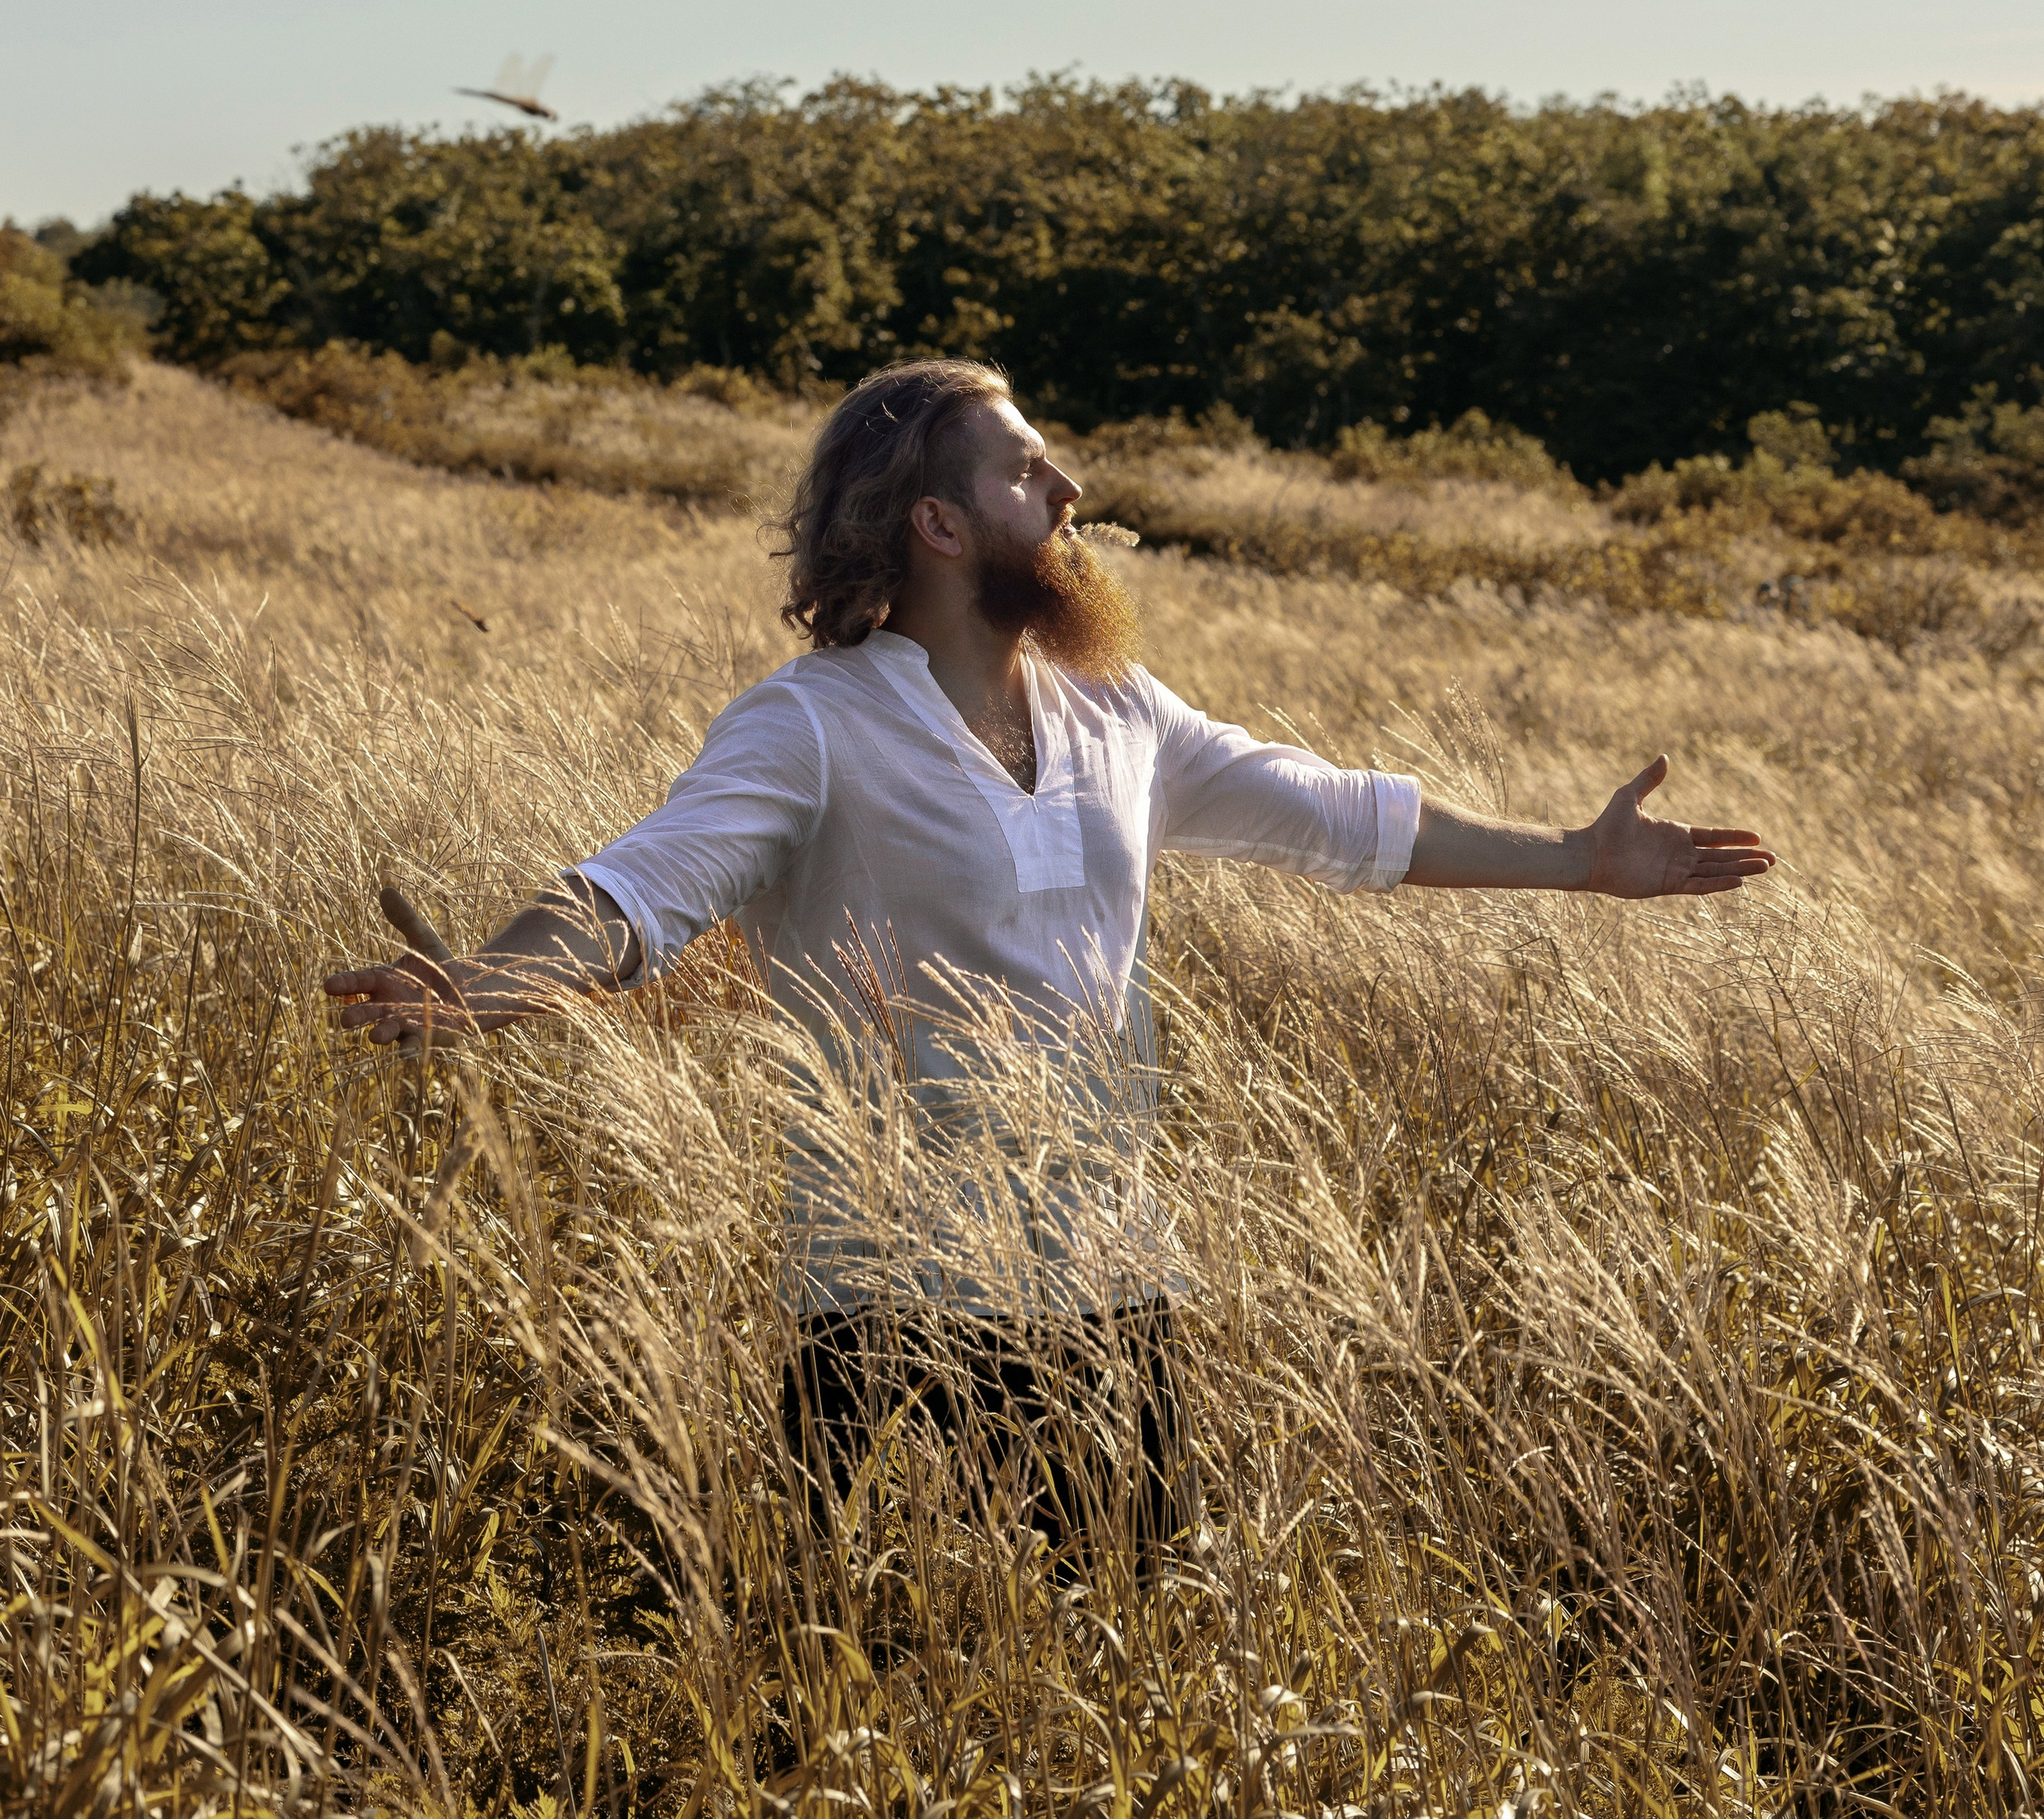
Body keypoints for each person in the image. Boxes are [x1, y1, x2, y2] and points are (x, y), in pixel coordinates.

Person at [326, 358, 1774, 1567]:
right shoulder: (813, 724)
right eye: (1028, 473)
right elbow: (646, 883)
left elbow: (1336, 815)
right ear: (941, 526)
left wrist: (1577, 859)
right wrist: (495, 981)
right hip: (884, 1304)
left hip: (1110, 1281)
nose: (1069, 489)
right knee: (865, 1685)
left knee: (1118, 1657)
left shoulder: (1115, 710)